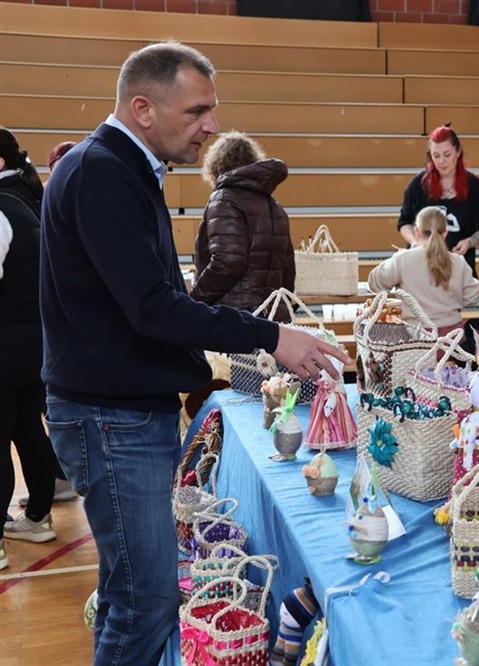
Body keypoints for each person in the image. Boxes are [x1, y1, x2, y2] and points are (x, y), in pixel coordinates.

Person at [39, 41, 346, 665]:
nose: (212, 125)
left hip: (119, 409)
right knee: (145, 602)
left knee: (132, 592)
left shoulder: (122, 167)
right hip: (110, 416)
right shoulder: (103, 171)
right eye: (198, 110)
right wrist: (273, 337)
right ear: (144, 108)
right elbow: (152, 308)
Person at [0, 128, 60, 569]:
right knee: (26, 426)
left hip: (7, 341)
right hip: (32, 341)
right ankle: (38, 515)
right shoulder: (25, 203)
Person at [190, 130, 295, 321]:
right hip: (273, 319)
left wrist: (195, 299)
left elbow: (227, 263)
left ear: (216, 166)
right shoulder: (275, 206)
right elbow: (288, 273)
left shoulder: (224, 199)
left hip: (237, 320)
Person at [397, 124, 479, 276]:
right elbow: (404, 222)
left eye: (447, 154)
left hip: (460, 271)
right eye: (436, 156)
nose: (442, 161)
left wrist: (469, 242)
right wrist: (415, 241)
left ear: (458, 152)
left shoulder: (476, 187)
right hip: (421, 271)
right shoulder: (418, 185)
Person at [369, 206, 479, 336]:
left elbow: (375, 284)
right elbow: (473, 297)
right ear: (445, 233)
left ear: (416, 232)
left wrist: (397, 259)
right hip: (453, 339)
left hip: (414, 339)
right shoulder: (459, 261)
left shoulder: (403, 259)